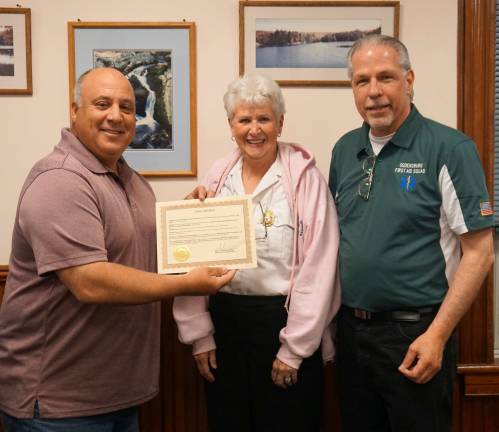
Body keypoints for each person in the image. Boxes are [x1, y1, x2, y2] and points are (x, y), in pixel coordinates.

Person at [0, 67, 234, 432]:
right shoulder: (60, 179)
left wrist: (190, 221)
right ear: (75, 111)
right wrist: (187, 285)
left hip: (116, 397)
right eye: (102, 104)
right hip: (57, 404)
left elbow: (141, 257)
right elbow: (91, 281)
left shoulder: (132, 181)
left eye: (127, 106)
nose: (116, 115)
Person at [328, 34, 494, 432]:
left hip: (415, 335)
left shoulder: (450, 148)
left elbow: (480, 251)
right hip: (351, 332)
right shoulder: (344, 150)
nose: (373, 92)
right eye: (361, 81)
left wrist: (437, 335)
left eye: (385, 77)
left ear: (409, 80)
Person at [173, 73, 341, 432]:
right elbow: (196, 261)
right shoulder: (218, 178)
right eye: (244, 119)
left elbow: (319, 267)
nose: (254, 129)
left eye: (264, 118)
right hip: (226, 325)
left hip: (283, 325)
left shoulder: (305, 179)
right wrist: (199, 335)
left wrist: (294, 350)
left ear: (280, 123)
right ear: (230, 124)